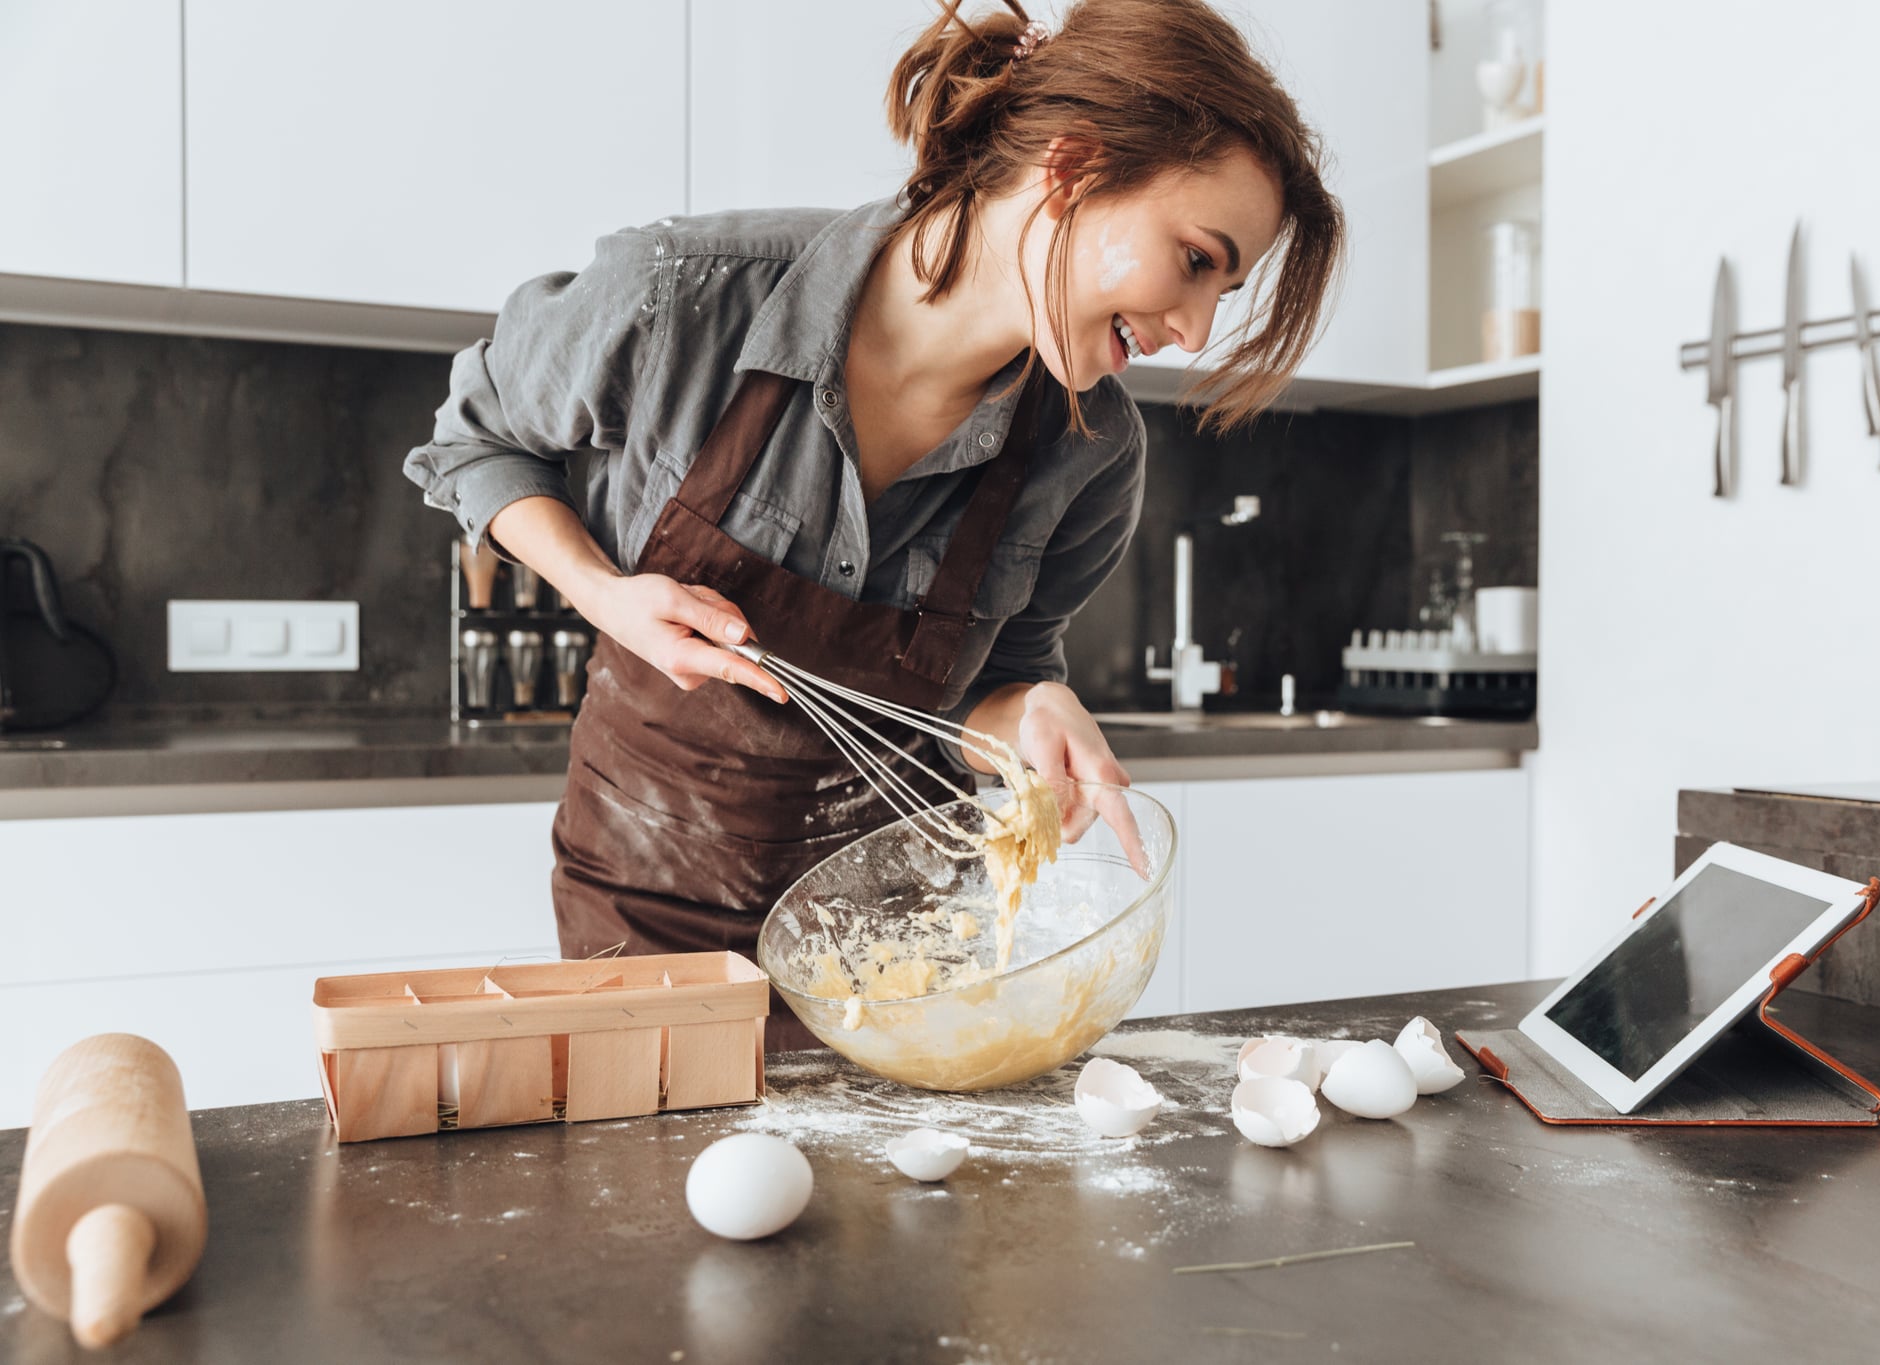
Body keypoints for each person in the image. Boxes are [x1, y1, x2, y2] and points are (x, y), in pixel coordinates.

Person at [403, 0, 1342, 1050]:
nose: (1195, 330)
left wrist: (1029, 713)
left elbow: (999, 676)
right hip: (642, 903)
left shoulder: (1089, 450)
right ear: (1071, 170)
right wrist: (603, 592)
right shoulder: (685, 302)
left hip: (902, 942)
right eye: (1195, 260)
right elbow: (473, 441)